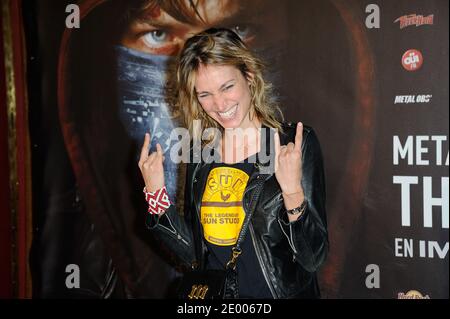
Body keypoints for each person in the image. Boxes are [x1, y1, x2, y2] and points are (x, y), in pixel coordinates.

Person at [139, 28, 328, 298]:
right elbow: (194, 254)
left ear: (249, 76)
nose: (219, 104)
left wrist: (292, 192)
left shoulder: (294, 144)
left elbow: (313, 258)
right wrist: (156, 194)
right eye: (204, 94)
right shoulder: (201, 153)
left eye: (227, 87)